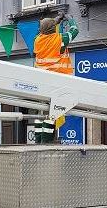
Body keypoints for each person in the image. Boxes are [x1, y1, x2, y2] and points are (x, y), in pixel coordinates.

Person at [33, 13, 79, 143]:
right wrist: (70, 19)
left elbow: (45, 31)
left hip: (42, 82)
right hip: (57, 81)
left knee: (41, 113)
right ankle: (46, 142)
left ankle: (38, 140)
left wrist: (56, 21)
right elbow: (75, 31)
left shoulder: (37, 40)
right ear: (53, 29)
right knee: (52, 114)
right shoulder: (60, 39)